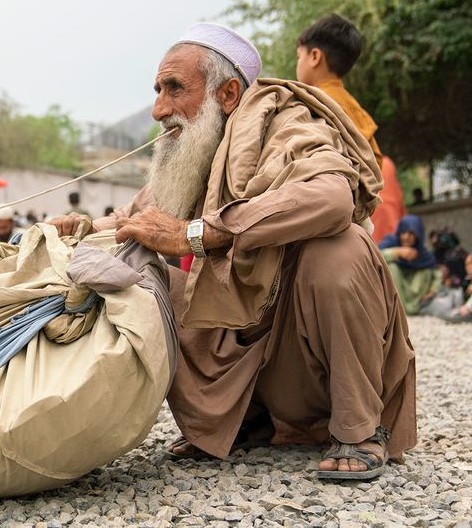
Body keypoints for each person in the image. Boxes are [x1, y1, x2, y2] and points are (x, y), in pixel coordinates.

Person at [50, 22, 415, 481]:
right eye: (157, 90)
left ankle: (359, 428)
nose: (159, 109)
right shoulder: (196, 147)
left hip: (309, 351)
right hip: (256, 351)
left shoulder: (286, 123)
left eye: (174, 88)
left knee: (339, 249)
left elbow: (332, 196)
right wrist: (80, 227)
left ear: (227, 95)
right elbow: (139, 216)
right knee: (139, 272)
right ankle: (244, 419)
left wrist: (199, 233)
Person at [294, 13, 405, 244]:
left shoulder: (307, 104)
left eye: (299, 56)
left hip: (317, 226)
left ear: (315, 56)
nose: (298, 63)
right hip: (356, 228)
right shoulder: (357, 111)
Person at [378, 215, 441, 315]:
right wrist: (396, 252)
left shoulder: (423, 254)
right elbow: (374, 257)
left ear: (418, 235)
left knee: (426, 271)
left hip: (415, 298)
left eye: (411, 233)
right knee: (392, 267)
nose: (406, 237)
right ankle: (396, 309)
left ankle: (411, 308)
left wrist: (432, 291)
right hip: (395, 295)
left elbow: (436, 273)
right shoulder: (391, 242)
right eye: (403, 233)